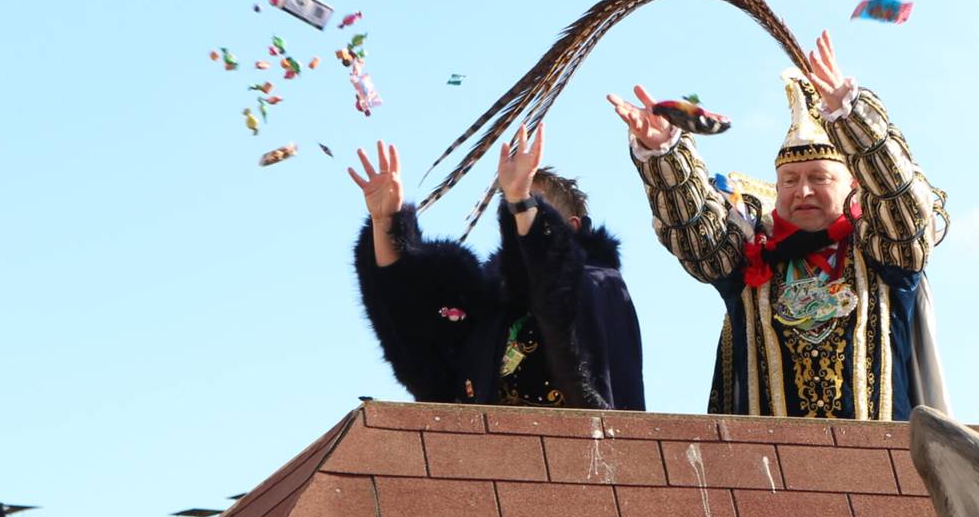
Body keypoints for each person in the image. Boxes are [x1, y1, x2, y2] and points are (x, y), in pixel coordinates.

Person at [608, 31, 947, 420]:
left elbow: (901, 205)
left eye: (819, 178)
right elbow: (694, 232)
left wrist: (852, 117)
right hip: (766, 469)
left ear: (852, 184)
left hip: (880, 467)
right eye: (790, 180)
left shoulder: (879, 249)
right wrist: (662, 153)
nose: (802, 191)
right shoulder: (749, 253)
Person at [351, 125, 645, 410]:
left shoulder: (599, 286)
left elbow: (556, 285)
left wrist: (520, 200)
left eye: (534, 205)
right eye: (514, 207)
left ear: (571, 226)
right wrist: (385, 223)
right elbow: (416, 346)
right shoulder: (490, 312)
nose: (521, 217)